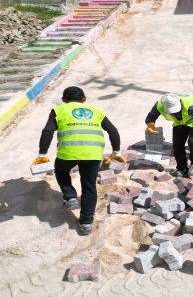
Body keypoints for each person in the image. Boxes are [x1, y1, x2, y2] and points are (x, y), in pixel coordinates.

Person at [32, 86, 124, 236]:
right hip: (92, 153)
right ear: (84, 99)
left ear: (63, 100)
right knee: (89, 187)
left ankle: (70, 196)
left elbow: (47, 131)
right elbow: (113, 130)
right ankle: (86, 223)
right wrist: (117, 151)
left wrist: (42, 153)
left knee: (61, 170)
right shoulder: (96, 112)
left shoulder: (59, 110)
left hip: (68, 153)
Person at [145, 93, 193, 177]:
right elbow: (151, 116)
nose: (174, 113)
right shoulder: (160, 105)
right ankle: (182, 168)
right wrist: (150, 123)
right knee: (177, 146)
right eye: (172, 112)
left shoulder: (191, 106)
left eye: (176, 110)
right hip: (180, 123)